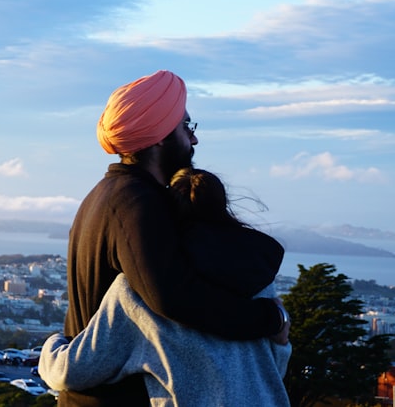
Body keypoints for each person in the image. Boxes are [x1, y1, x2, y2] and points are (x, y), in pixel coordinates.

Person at [58, 71, 289, 406]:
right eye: (186, 127)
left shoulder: (104, 194)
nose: (193, 140)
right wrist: (270, 319)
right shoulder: (137, 202)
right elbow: (173, 298)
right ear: (160, 138)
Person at [40, 168, 291, 406]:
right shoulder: (257, 278)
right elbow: (272, 373)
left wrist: (54, 342)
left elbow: (70, 372)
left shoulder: (137, 293)